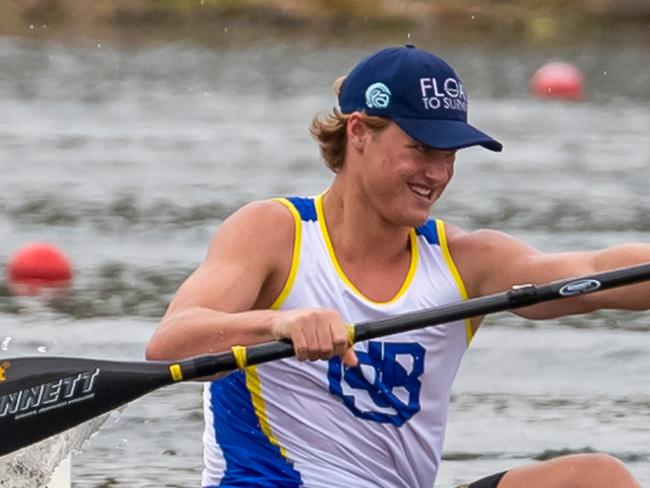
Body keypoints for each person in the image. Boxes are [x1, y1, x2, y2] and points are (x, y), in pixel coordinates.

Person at [146, 45, 648, 488]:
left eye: (450, 153)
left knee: (596, 479)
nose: (438, 173)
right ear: (359, 131)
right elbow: (169, 344)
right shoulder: (274, 232)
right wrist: (278, 321)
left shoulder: (465, 261)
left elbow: (594, 272)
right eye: (421, 148)